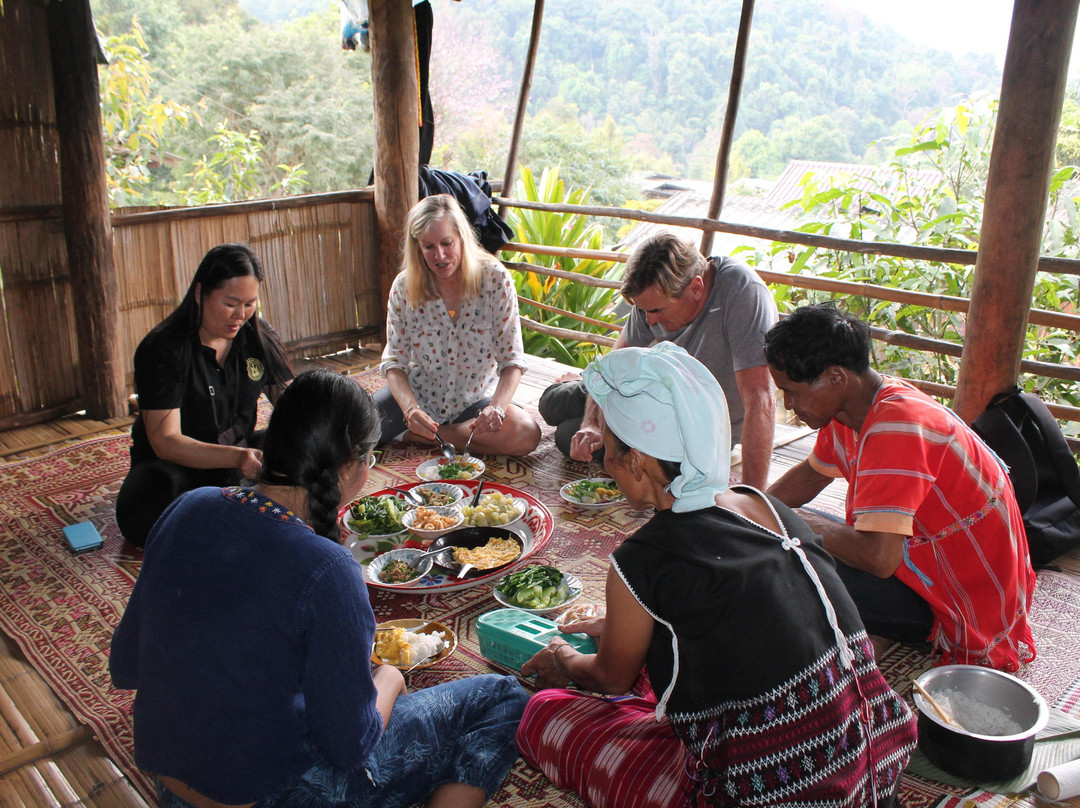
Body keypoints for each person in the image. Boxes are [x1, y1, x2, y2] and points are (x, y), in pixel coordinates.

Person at [517, 343, 917, 808]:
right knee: (668, 674)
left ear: (638, 461)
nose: (605, 463)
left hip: (784, 793)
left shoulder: (641, 560)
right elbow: (748, 613)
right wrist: (619, 627)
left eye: (610, 449)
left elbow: (609, 679)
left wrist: (563, 657)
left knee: (544, 715)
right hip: (880, 761)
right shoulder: (764, 504)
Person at [110, 370, 529, 808]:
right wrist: (390, 678)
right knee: (501, 697)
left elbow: (126, 666)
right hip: (277, 796)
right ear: (353, 464)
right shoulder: (327, 567)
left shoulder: (187, 508)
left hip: (172, 789)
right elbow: (352, 746)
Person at [764, 302, 1037, 672]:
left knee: (791, 556)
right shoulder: (851, 409)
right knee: (788, 530)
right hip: (928, 559)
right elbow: (812, 475)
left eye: (792, 392)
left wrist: (799, 525)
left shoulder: (897, 427)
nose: (789, 405)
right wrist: (751, 507)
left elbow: (879, 558)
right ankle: (878, 630)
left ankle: (895, 631)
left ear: (835, 378)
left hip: (959, 600)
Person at [538, 232, 777, 489]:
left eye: (657, 311)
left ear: (696, 288)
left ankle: (579, 386)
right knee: (552, 404)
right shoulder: (653, 299)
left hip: (689, 425)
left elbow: (760, 399)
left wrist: (753, 498)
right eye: (643, 310)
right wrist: (592, 424)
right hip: (648, 391)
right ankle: (577, 385)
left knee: (566, 437)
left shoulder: (742, 292)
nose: (649, 320)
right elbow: (612, 368)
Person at [114, 243, 293, 548]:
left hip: (239, 455)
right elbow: (165, 441)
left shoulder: (257, 336)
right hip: (177, 466)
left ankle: (232, 510)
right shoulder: (163, 349)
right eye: (231, 303)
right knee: (148, 506)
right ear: (200, 293)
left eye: (250, 304)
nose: (241, 315)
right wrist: (237, 458)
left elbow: (293, 404)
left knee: (297, 448)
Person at [375, 194, 541, 455]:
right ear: (417, 247)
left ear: (461, 237)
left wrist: (496, 408)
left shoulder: (495, 280)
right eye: (428, 247)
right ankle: (424, 430)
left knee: (525, 434)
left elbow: (512, 361)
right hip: (418, 399)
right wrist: (410, 410)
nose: (439, 255)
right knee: (349, 429)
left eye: (446, 243)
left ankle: (418, 437)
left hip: (474, 404)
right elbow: (394, 363)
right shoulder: (404, 287)